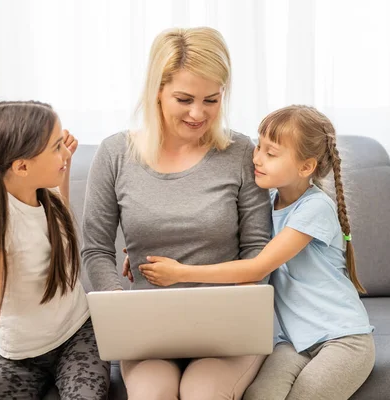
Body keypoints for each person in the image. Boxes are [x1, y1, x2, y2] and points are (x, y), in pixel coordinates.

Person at [81, 27, 272, 400]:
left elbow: (257, 250)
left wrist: (238, 309)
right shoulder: (115, 154)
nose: (198, 113)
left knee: (203, 392)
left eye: (212, 99)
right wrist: (121, 306)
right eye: (184, 98)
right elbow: (96, 249)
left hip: (229, 330)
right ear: (156, 91)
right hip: (147, 330)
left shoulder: (240, 152)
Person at [139, 105, 376, 400]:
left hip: (343, 339)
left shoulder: (315, 208)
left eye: (271, 153)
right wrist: (142, 251)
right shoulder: (270, 202)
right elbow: (214, 238)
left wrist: (180, 272)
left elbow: (256, 267)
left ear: (306, 167)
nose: (257, 158)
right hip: (293, 341)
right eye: (258, 146)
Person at [0, 101, 110, 400]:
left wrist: (64, 162)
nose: (65, 152)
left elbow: (58, 223)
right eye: (56, 147)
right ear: (22, 166)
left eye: (62, 143)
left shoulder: (42, 190)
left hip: (77, 332)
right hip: (18, 354)